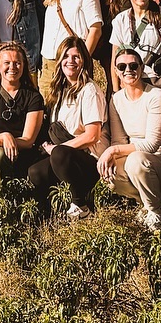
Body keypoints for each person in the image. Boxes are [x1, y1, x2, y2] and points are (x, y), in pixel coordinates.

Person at [99, 51, 161, 232]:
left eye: (133, 66)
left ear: (141, 69)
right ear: (116, 72)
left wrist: (113, 151)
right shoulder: (116, 100)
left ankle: (156, 212)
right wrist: (111, 154)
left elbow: (152, 144)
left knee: (134, 161)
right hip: (138, 161)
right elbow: (118, 139)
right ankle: (146, 202)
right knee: (109, 170)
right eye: (122, 67)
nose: (128, 70)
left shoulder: (156, 96)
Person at [35, 36, 109, 213]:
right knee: (35, 172)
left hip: (89, 158)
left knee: (59, 154)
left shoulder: (90, 91)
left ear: (84, 60)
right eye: (66, 56)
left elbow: (92, 135)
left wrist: (57, 148)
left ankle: (81, 205)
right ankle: (52, 212)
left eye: (76, 57)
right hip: (66, 155)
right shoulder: (59, 91)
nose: (71, 61)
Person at [0, 42, 47, 189]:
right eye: (7, 63)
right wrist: (4, 137)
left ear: (24, 65)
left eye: (17, 63)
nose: (12, 68)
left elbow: (27, 141)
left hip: (24, 156)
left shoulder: (34, 97)